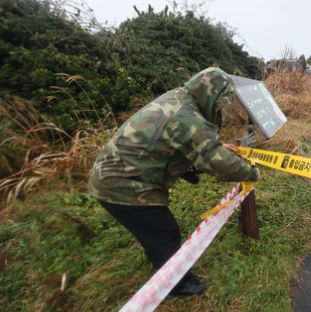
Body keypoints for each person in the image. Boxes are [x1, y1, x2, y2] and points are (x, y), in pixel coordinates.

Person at [88, 67, 260, 298]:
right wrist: (251, 173)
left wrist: (216, 149)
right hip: (123, 184)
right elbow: (217, 163)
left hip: (114, 173)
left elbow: (190, 147)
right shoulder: (189, 118)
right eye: (221, 102)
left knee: (153, 230)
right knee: (164, 231)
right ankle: (177, 286)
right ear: (211, 94)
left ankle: (158, 257)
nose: (221, 108)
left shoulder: (180, 98)